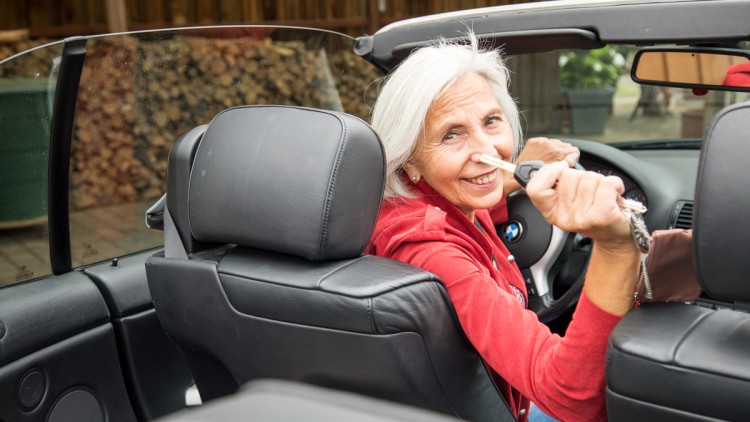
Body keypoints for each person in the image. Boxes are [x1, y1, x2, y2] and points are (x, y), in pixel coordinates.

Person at [366, 34, 641, 422]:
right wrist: (615, 247)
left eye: (491, 121)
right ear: (408, 161)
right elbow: (571, 397)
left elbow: (471, 208)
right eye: (451, 134)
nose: (489, 152)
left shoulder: (418, 202)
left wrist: (514, 176)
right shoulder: (429, 250)